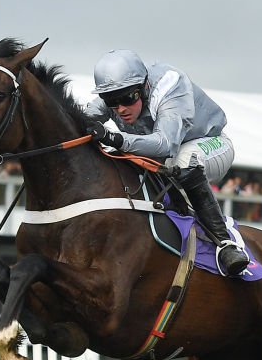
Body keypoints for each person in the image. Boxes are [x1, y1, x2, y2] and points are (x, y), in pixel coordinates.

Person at [82, 49, 250, 277]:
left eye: (127, 99)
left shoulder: (170, 85)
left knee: (181, 161)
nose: (120, 109)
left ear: (143, 87)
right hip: (164, 154)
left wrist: (114, 137)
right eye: (112, 101)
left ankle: (224, 242)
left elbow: (165, 144)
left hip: (209, 144)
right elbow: (80, 119)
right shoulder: (119, 92)